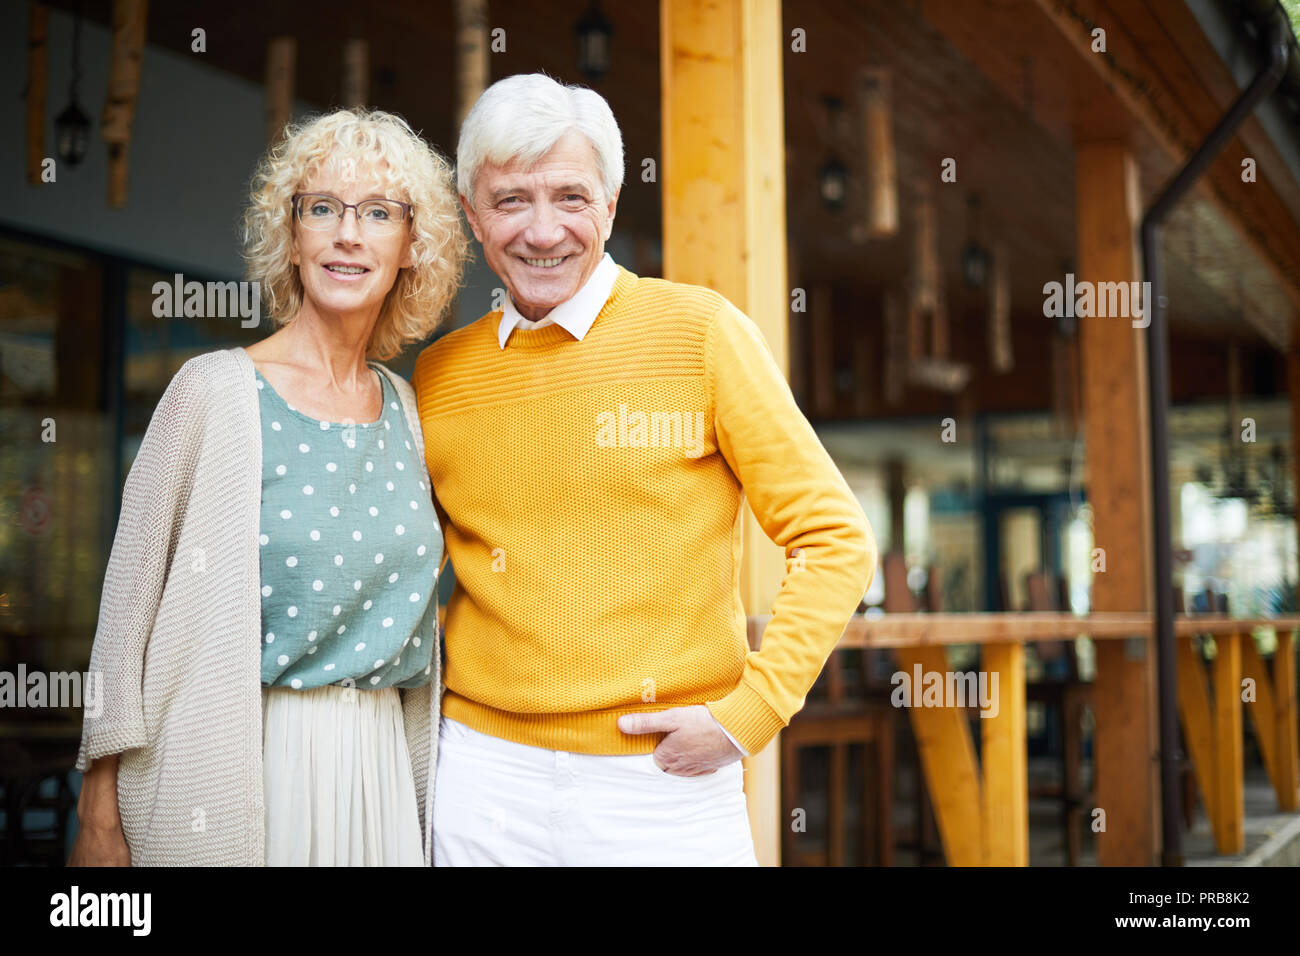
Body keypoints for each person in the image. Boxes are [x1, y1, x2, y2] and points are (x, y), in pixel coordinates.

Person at [413, 73, 876, 866]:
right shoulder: (438, 376)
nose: (543, 229)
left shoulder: (700, 333)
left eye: (570, 196)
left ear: (612, 206)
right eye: (511, 200)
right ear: (471, 215)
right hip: (483, 776)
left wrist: (751, 712)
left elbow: (836, 539)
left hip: (660, 779)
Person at [68, 108, 467, 866]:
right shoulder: (213, 391)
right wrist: (97, 810)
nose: (348, 234)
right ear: (292, 235)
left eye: (378, 213)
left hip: (380, 770)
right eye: (322, 208)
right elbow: (126, 614)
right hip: (238, 766)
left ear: (414, 245)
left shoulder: (409, 413)